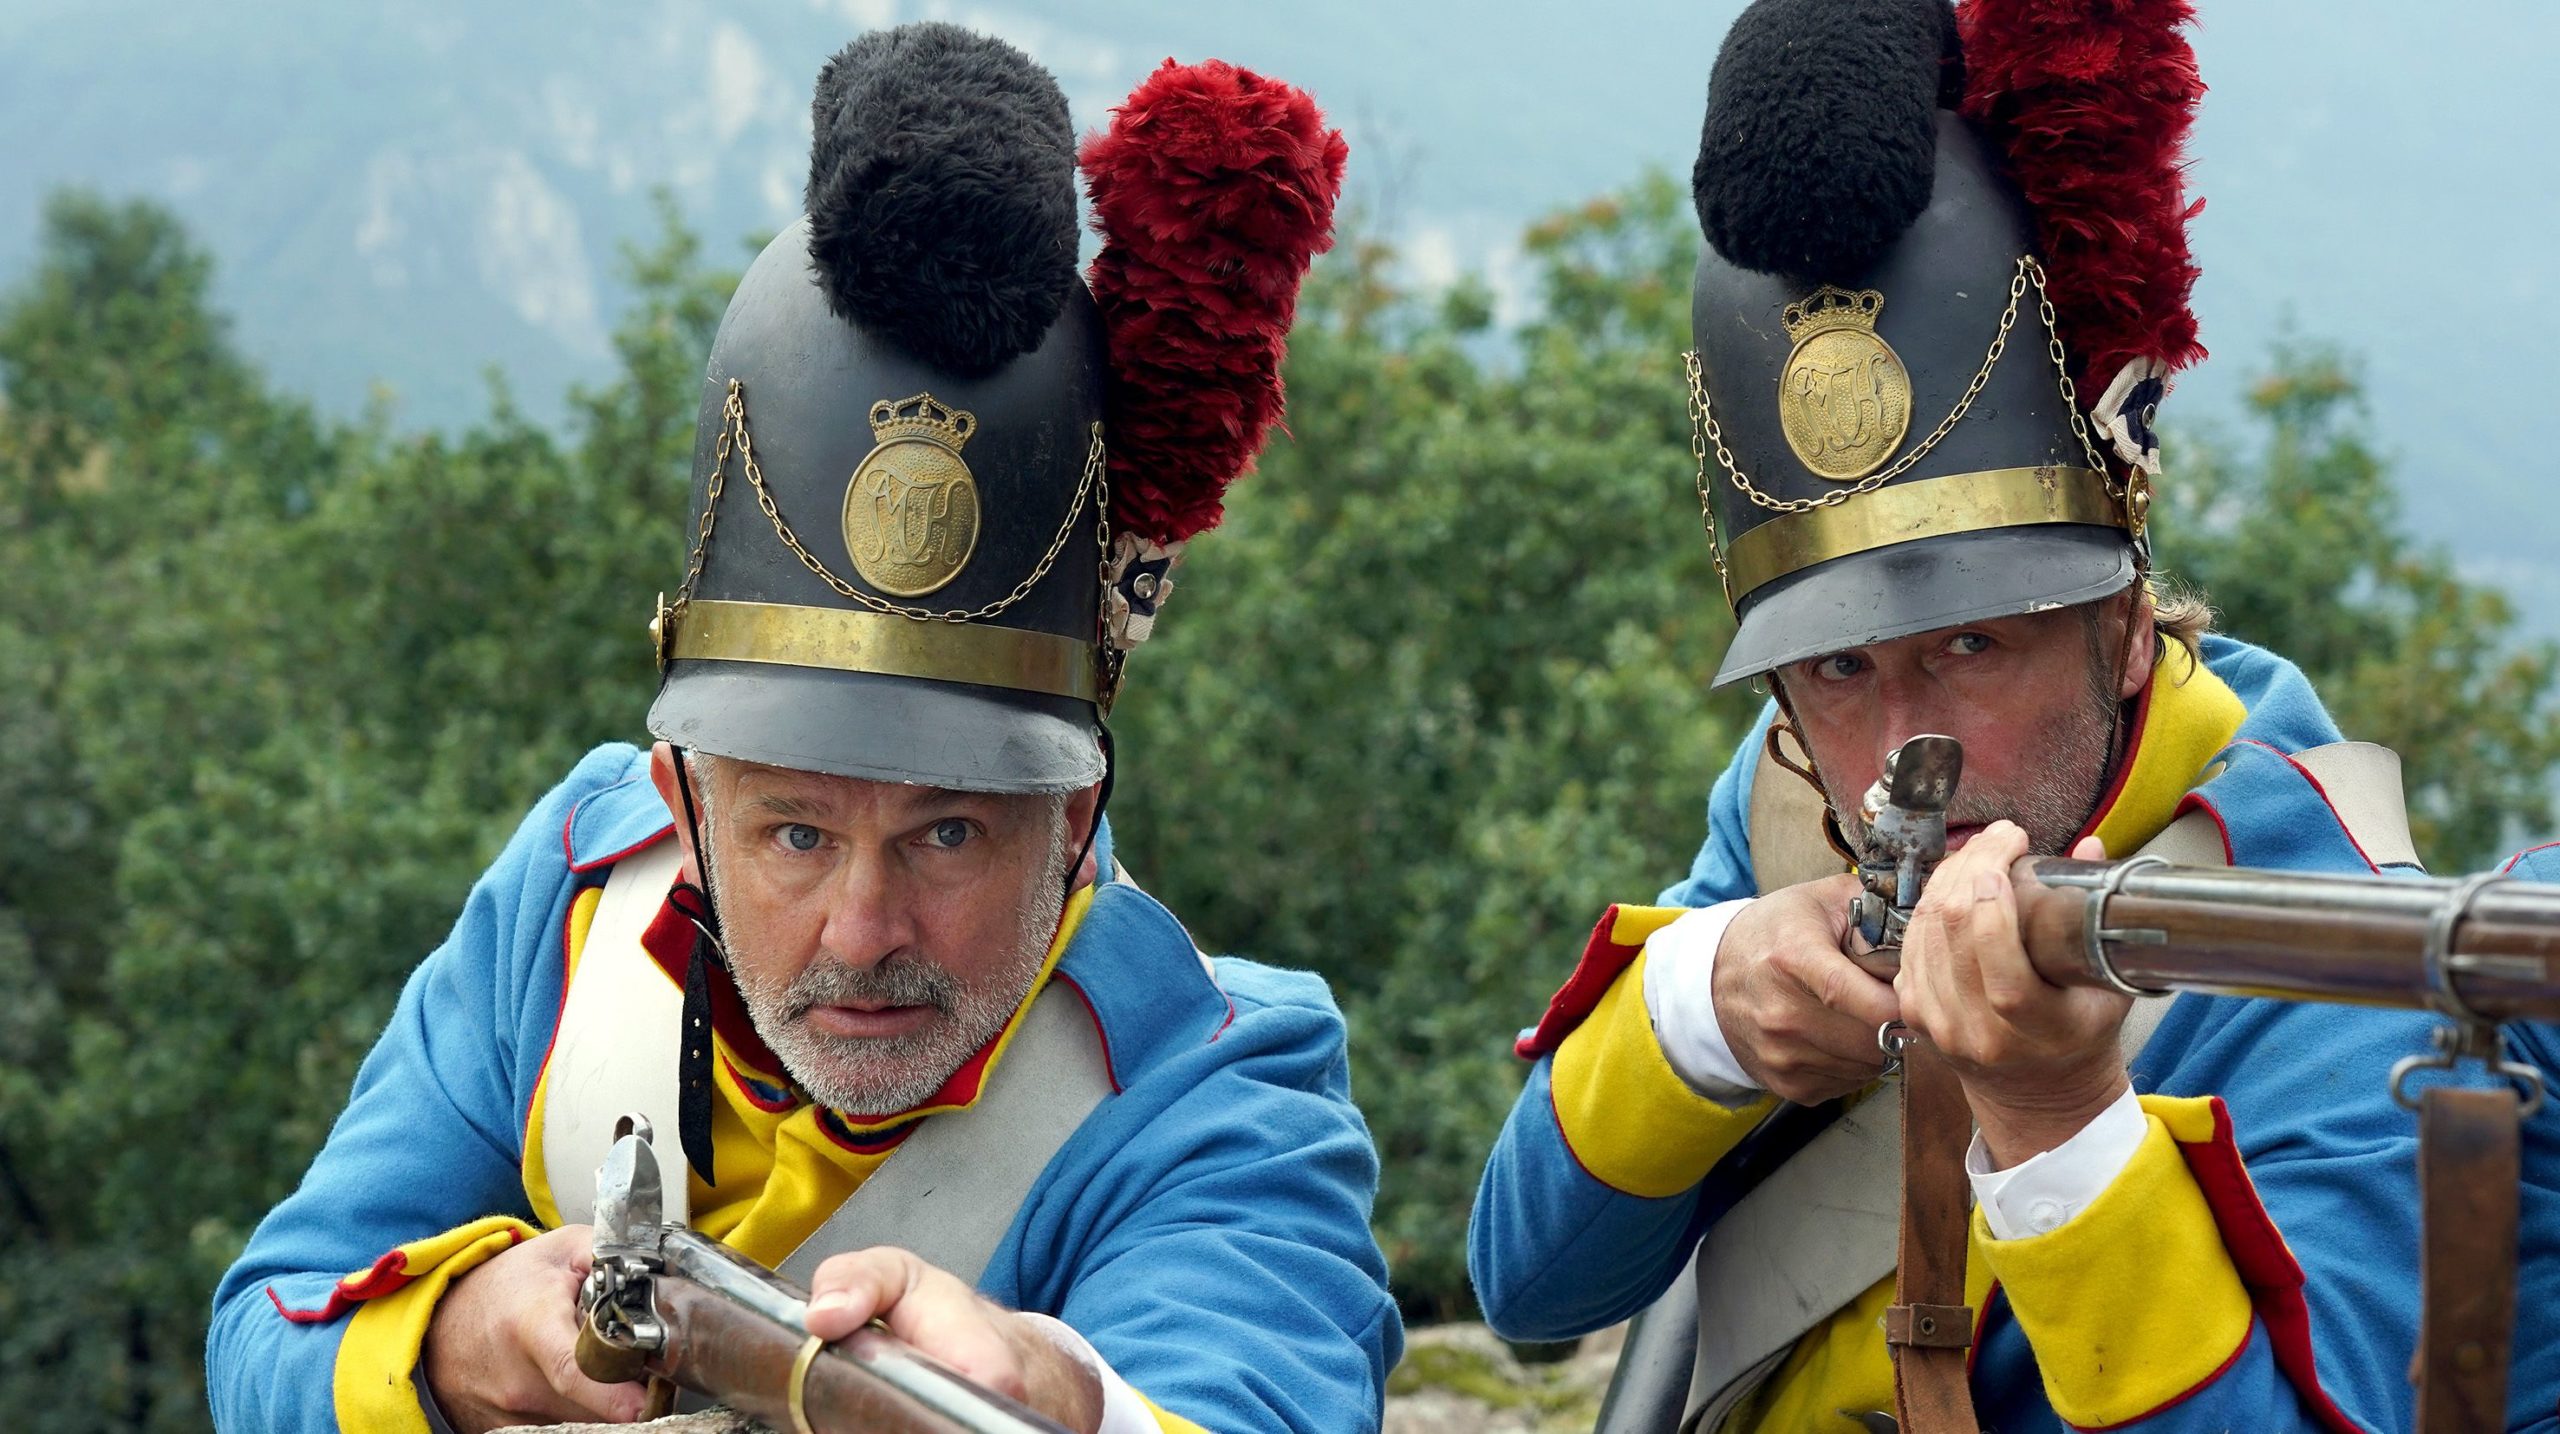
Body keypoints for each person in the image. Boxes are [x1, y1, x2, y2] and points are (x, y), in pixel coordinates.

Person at [207, 25, 1393, 1434]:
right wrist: (458, 1340)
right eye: (795, 831)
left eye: (947, 832)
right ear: (683, 801)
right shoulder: (567, 903)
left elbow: (1259, 1394)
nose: (862, 930)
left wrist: (1060, 1399)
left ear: (1073, 819)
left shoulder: (1222, 1089)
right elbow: (267, 1332)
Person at [1469, 0, 2550, 1428]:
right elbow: (1529, 1285)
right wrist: (1702, 1017)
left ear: (2124, 627)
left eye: (1972, 644)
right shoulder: (1790, 803)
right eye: (1839, 669)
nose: (1901, 756)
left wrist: (2060, 1124)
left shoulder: (2324, 961)